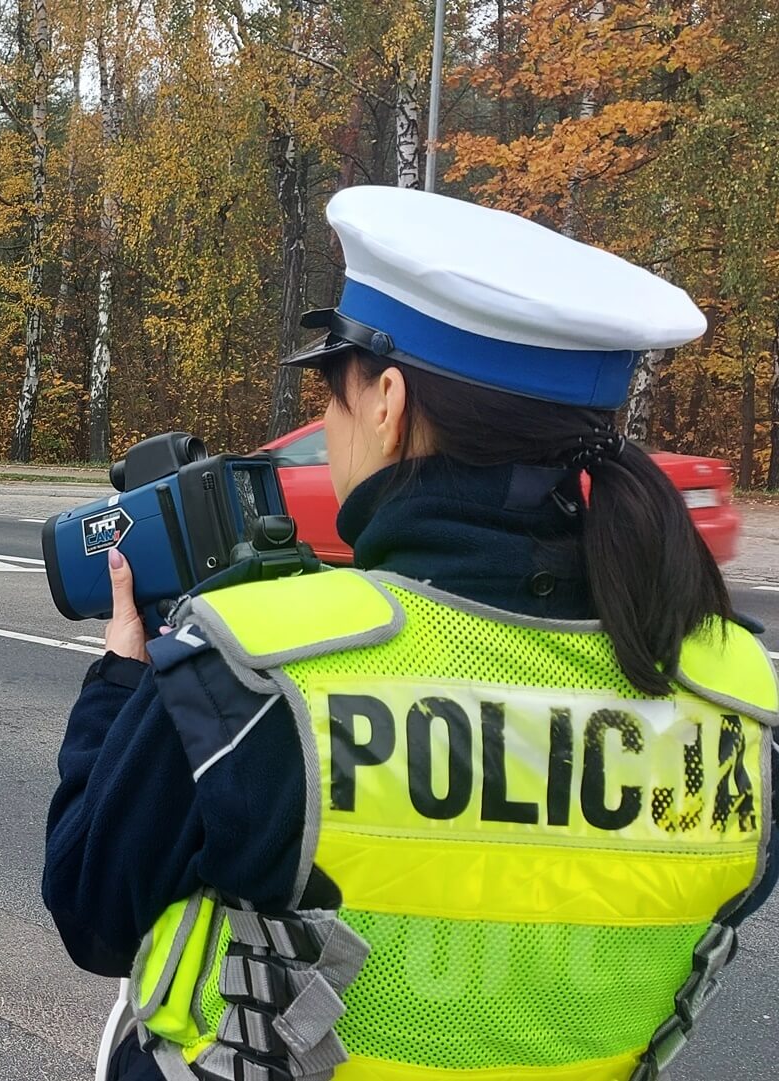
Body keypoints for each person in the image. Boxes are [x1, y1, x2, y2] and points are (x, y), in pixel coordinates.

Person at [44, 185, 777, 1081]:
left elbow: (92, 908)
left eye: (334, 393)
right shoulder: (738, 698)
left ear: (387, 399)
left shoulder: (260, 671)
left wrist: (126, 679)